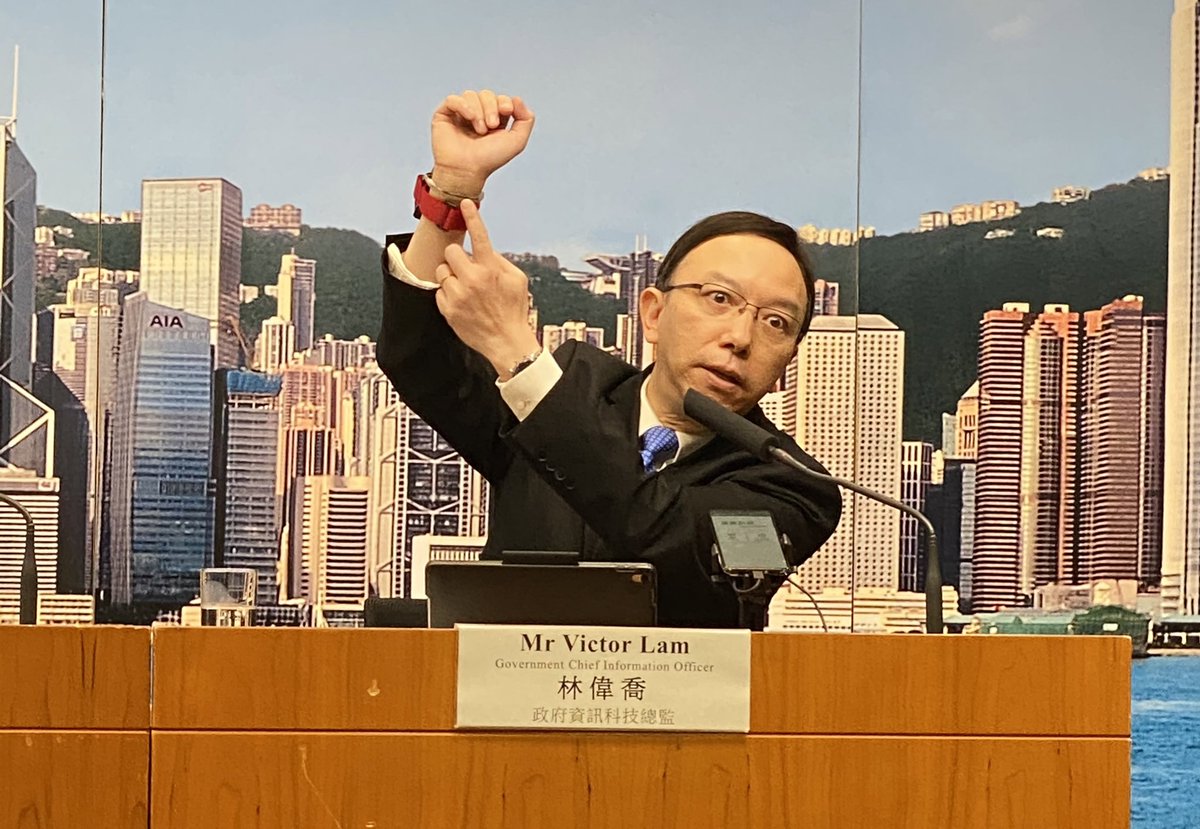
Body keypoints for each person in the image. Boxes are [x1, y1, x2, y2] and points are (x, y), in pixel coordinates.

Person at [377, 89, 842, 628]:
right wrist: (453, 191)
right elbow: (420, 361)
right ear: (653, 314)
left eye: (775, 322)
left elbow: (666, 534)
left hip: (678, 685)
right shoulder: (575, 385)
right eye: (719, 298)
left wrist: (518, 353)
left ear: (787, 361)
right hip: (508, 682)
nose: (740, 336)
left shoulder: (792, 485)